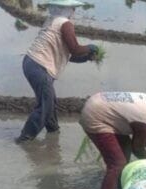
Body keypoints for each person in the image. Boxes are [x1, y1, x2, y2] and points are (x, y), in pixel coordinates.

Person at [16, 0, 99, 143]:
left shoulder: (52, 20)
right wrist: (90, 48)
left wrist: (86, 57)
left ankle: (53, 130)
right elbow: (75, 49)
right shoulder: (65, 24)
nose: (73, 11)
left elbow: (68, 56)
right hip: (39, 66)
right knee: (46, 104)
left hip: (32, 63)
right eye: (72, 8)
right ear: (65, 9)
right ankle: (25, 138)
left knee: (49, 100)